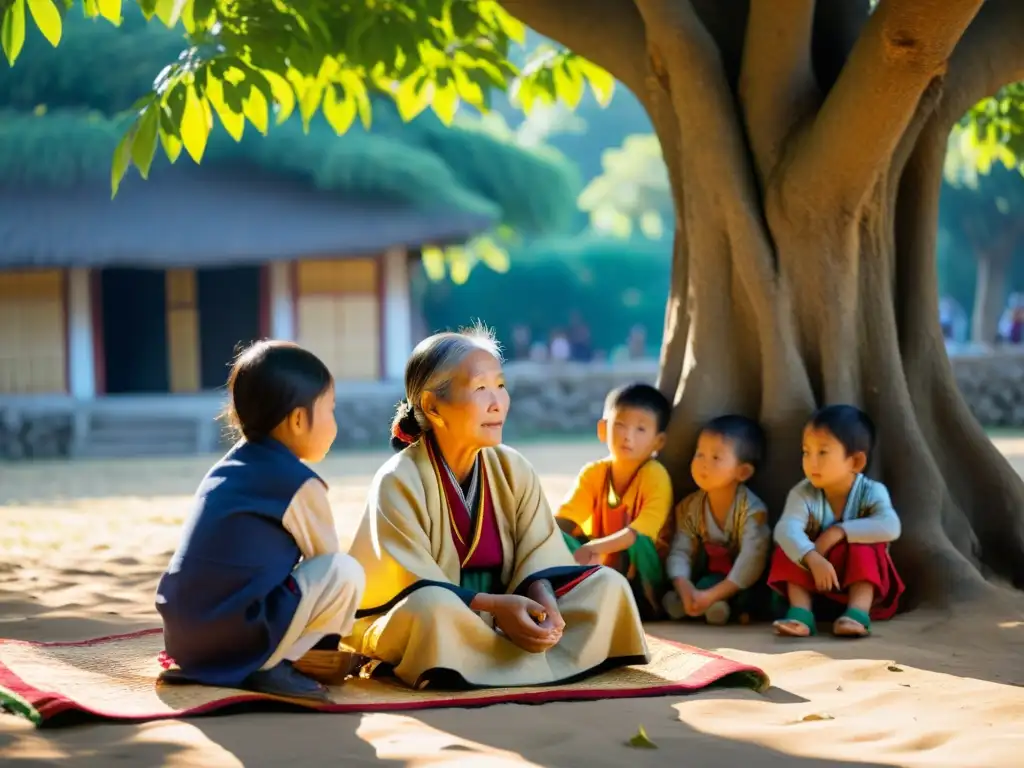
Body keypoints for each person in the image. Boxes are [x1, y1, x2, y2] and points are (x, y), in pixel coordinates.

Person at [346, 327, 649, 689]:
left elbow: (539, 553)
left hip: (513, 608)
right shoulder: (398, 479)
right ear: (432, 406)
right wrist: (493, 607)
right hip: (454, 612)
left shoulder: (512, 467)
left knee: (608, 586)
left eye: (501, 386)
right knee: (430, 611)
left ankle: (502, 655)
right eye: (479, 388)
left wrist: (543, 604)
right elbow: (411, 583)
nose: (497, 402)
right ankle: (499, 657)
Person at [155, 341, 365, 700]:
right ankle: (274, 665)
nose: (334, 423)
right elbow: (325, 563)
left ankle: (253, 659)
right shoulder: (298, 483)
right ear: (299, 420)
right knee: (344, 571)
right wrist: (329, 644)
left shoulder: (224, 470)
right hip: (235, 637)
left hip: (184, 640)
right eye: (330, 410)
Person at [769, 405, 904, 638]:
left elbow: (891, 525)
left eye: (823, 452)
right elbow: (785, 528)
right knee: (789, 546)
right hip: (815, 579)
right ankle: (800, 613)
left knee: (868, 546)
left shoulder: (871, 491)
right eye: (806, 452)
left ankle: (857, 614)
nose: (812, 462)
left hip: (857, 582)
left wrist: (838, 532)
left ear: (855, 462)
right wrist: (811, 556)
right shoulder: (803, 493)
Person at [555, 383, 673, 618]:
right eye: (620, 425)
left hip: (642, 570)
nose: (628, 436)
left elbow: (640, 533)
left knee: (639, 543)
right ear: (603, 429)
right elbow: (565, 519)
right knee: (557, 534)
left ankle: (644, 603)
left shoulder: (655, 475)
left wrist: (594, 547)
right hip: (599, 562)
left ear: (658, 442)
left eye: (641, 429)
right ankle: (582, 588)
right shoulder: (594, 473)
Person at [662, 416, 771, 625]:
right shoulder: (689, 507)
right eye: (699, 454)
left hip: (740, 582)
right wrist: (684, 587)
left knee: (751, 597)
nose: (703, 464)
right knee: (688, 592)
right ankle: (696, 603)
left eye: (716, 458)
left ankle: (719, 605)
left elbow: (751, 560)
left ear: (743, 471)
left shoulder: (752, 510)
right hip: (709, 579)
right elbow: (680, 551)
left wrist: (711, 596)